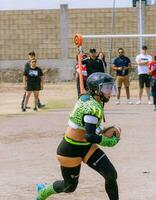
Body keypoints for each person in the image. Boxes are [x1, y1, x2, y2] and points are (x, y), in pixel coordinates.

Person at [35, 72, 120, 200]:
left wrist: (102, 128)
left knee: (111, 175)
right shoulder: (91, 107)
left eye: (110, 87)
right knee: (69, 187)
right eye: (106, 88)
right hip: (70, 149)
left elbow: (88, 128)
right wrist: (110, 142)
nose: (110, 91)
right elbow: (90, 136)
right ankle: (44, 191)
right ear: (96, 90)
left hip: (86, 147)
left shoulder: (88, 98)